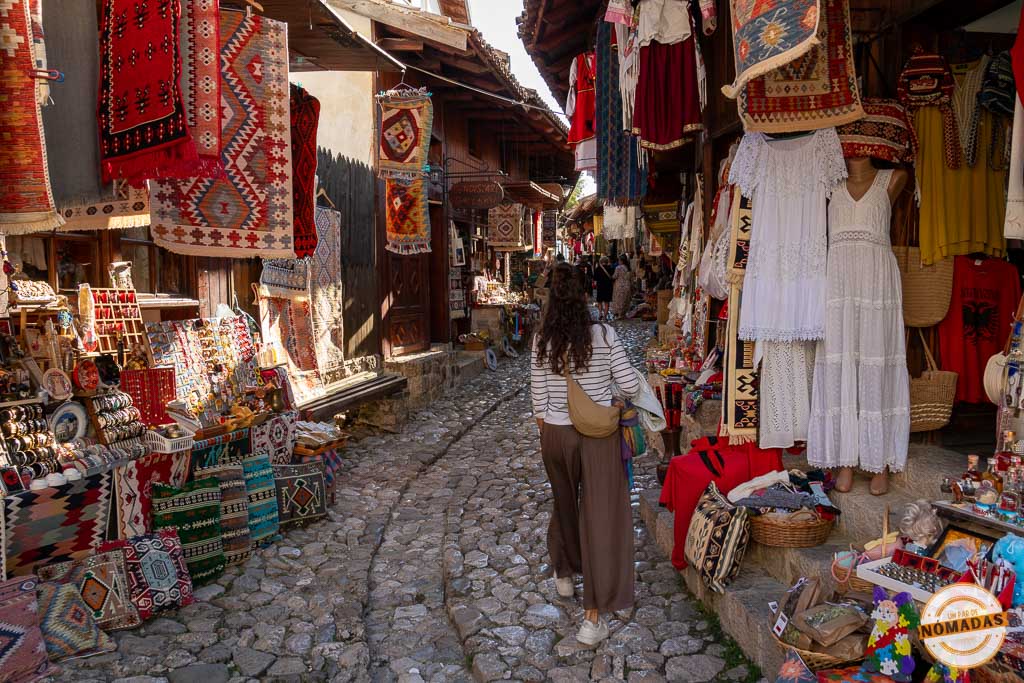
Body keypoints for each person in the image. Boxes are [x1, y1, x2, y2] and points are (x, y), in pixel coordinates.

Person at [531, 262, 640, 645]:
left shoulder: (542, 339)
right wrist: (611, 397)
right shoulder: (605, 336)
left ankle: (564, 575)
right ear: (586, 295)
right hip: (596, 436)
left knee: (564, 504)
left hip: (556, 437)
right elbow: (628, 382)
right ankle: (593, 618)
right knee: (599, 519)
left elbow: (539, 401)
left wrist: (553, 432)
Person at [594, 256, 615, 320]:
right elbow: (613, 278)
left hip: (600, 286)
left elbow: (595, 278)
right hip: (608, 286)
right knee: (607, 302)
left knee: (600, 301)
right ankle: (605, 317)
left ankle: (600, 314)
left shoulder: (597, 269)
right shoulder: (611, 268)